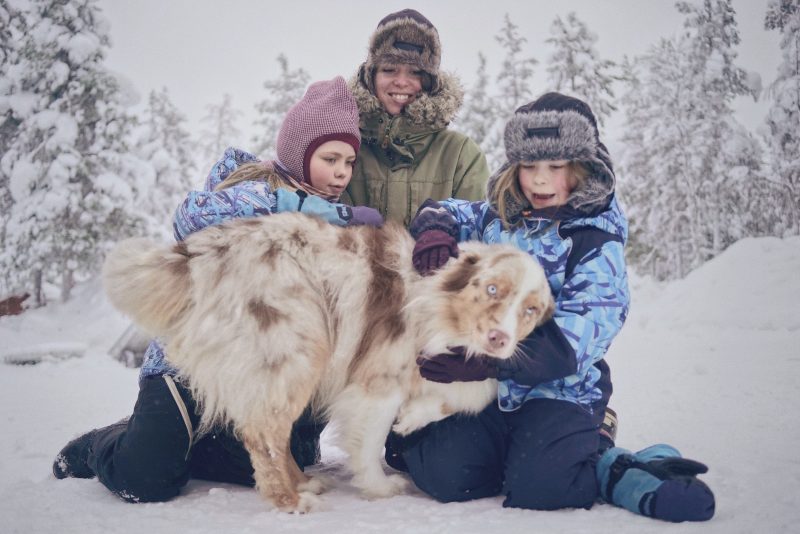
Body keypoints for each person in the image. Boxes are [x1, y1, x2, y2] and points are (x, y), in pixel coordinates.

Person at [52, 76, 383, 503]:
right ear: (301, 154)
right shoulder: (254, 190)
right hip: (190, 366)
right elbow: (190, 218)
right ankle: (104, 444)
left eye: (348, 162)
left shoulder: (337, 223)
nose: (340, 173)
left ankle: (185, 442)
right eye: (330, 158)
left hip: (258, 378)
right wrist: (302, 207)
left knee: (279, 462)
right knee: (145, 480)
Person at [388, 92, 715, 522]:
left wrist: (487, 363)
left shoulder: (595, 242)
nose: (540, 181)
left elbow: (574, 341)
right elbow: (449, 209)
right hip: (494, 395)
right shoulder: (499, 216)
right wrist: (435, 228)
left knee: (543, 489)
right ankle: (522, 452)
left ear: (583, 169)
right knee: (444, 477)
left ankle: (606, 457)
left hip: (561, 390)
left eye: (555, 167)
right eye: (529, 167)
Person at [343, 8, 490, 226]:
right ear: (371, 76)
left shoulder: (461, 154)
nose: (401, 81)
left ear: (431, 81)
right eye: (390, 69)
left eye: (415, 72)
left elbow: (477, 235)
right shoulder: (345, 146)